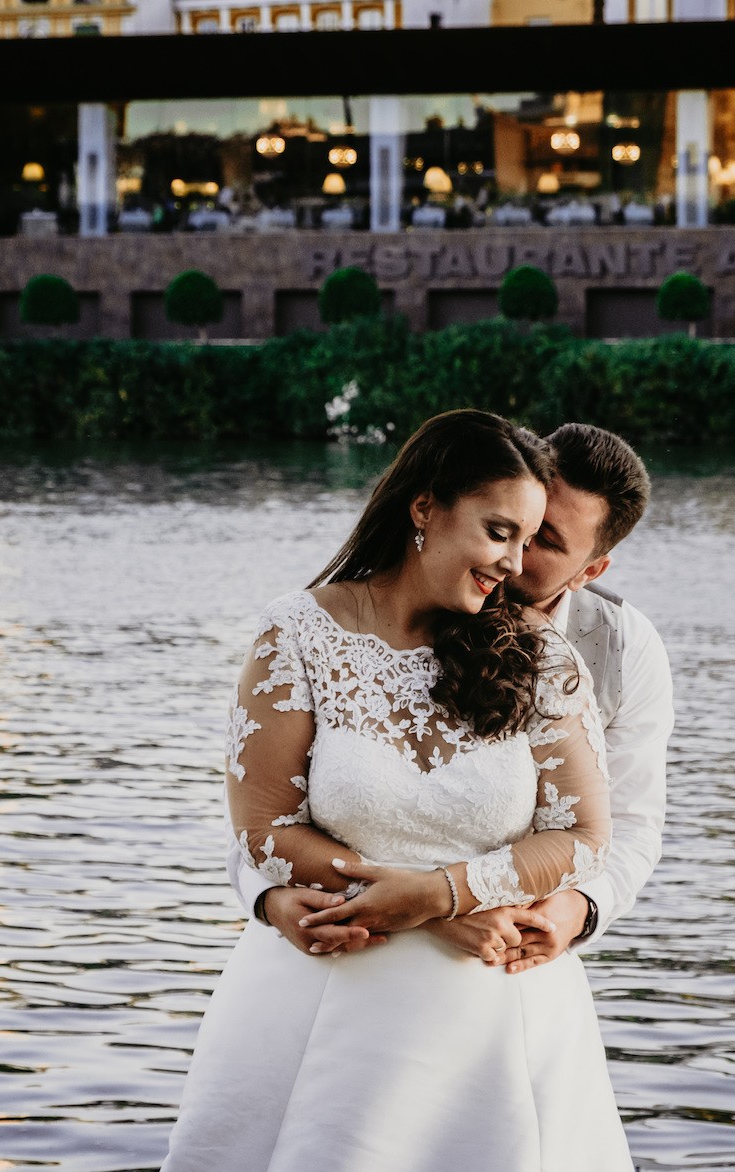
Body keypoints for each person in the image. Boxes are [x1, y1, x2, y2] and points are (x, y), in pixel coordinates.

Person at [162, 410, 632, 1172]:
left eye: (529, 539)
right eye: (499, 531)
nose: (515, 563)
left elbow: (584, 838)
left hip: (494, 1011)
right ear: (425, 508)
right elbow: (263, 828)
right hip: (322, 991)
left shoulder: (539, 654)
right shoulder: (299, 633)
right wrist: (418, 912)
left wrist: (443, 893)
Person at [233, 423, 672, 977]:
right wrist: (269, 897)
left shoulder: (607, 650)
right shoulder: (322, 625)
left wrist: (577, 910)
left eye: (542, 541)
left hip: (505, 950)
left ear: (589, 571)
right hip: (336, 952)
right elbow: (266, 814)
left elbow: (621, 826)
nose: (516, 558)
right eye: (506, 528)